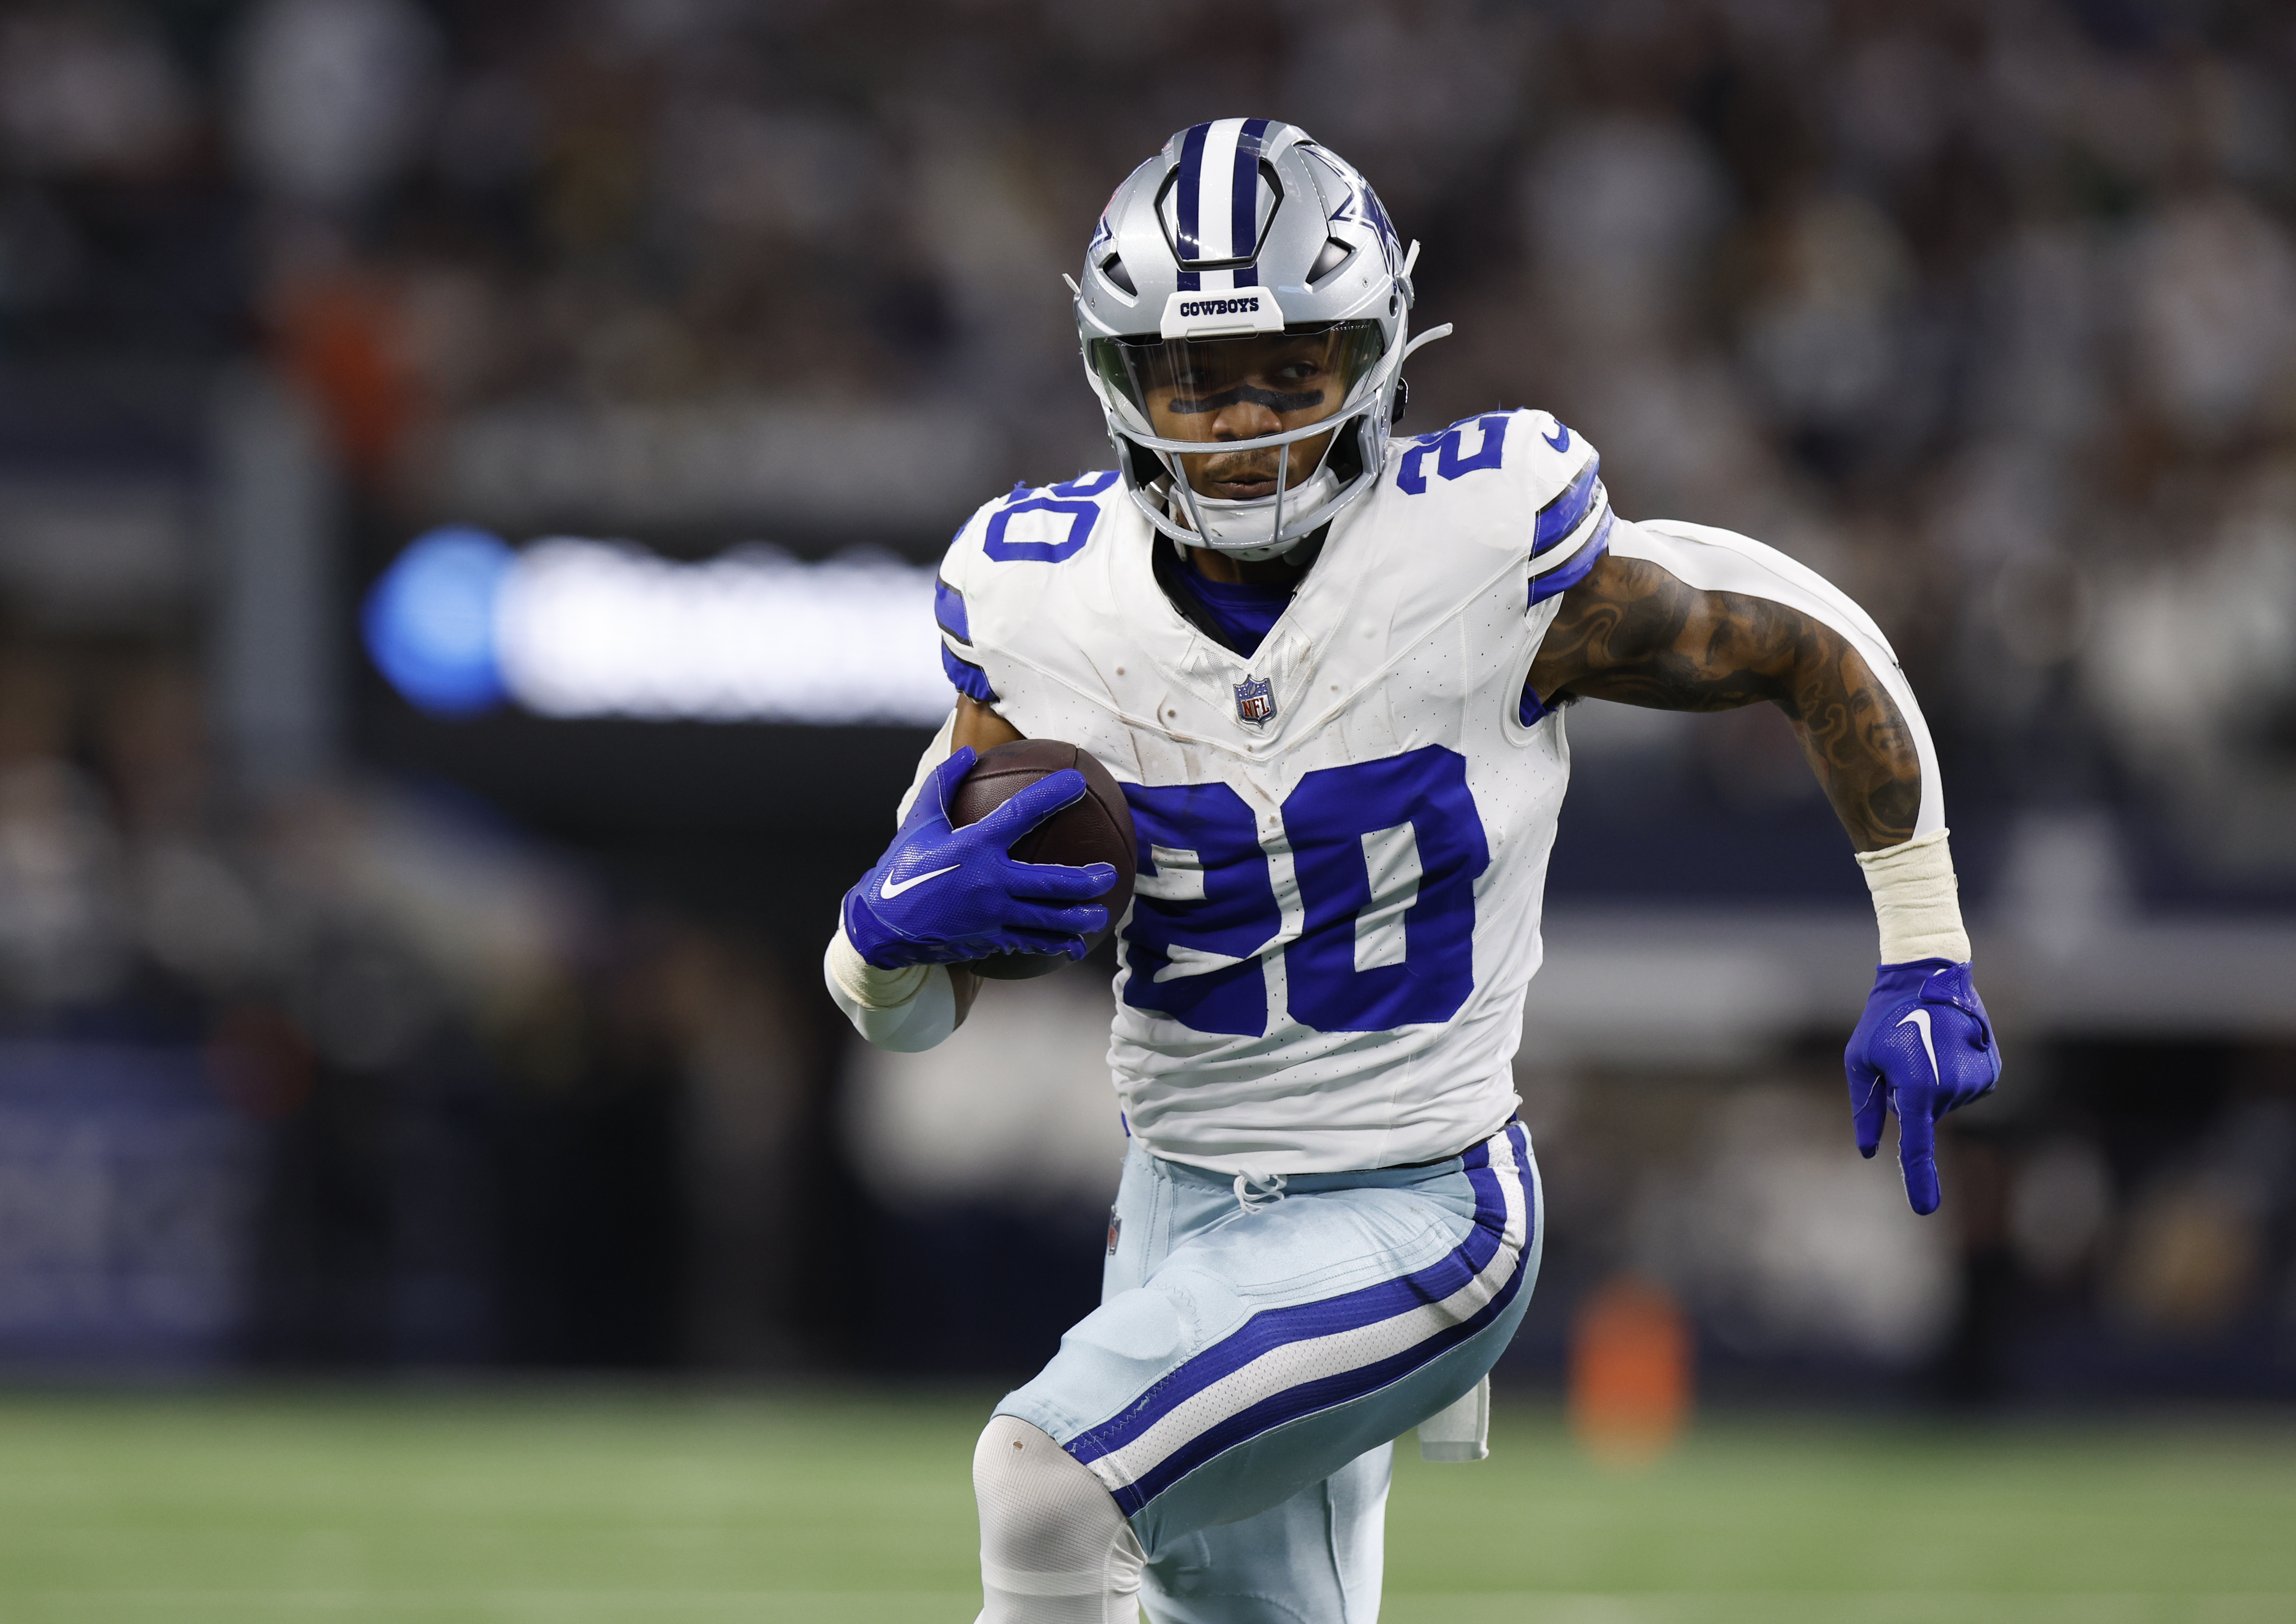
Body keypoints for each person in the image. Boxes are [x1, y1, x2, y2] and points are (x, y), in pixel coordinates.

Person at [822, 119, 1999, 1624]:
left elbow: (1802, 636)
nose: (1240, 420)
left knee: (1043, 1484)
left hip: (1419, 1200)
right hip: (1178, 1206)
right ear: (1119, 377)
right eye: (1196, 378)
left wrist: (1924, 945)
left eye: (1288, 369)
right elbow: (896, 1013)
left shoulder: (1480, 544)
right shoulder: (1039, 601)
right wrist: (881, 938)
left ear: (1375, 355)